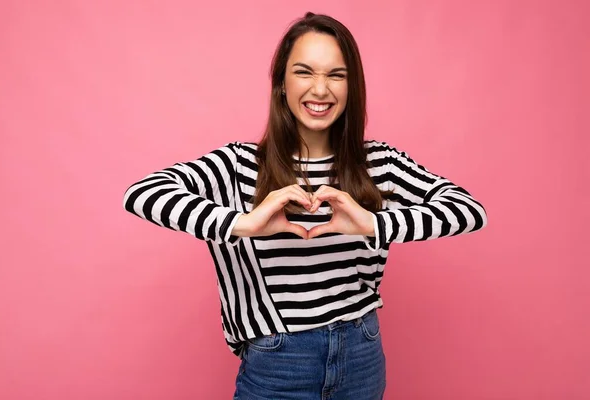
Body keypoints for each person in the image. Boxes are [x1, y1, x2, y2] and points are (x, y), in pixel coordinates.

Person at [123, 11, 487, 400]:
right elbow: (143, 193)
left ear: (352, 86)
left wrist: (372, 223)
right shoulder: (240, 164)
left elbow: (468, 210)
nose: (320, 89)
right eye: (304, 72)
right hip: (277, 361)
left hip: (361, 353)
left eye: (336, 74)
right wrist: (245, 222)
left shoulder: (379, 162)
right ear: (281, 82)